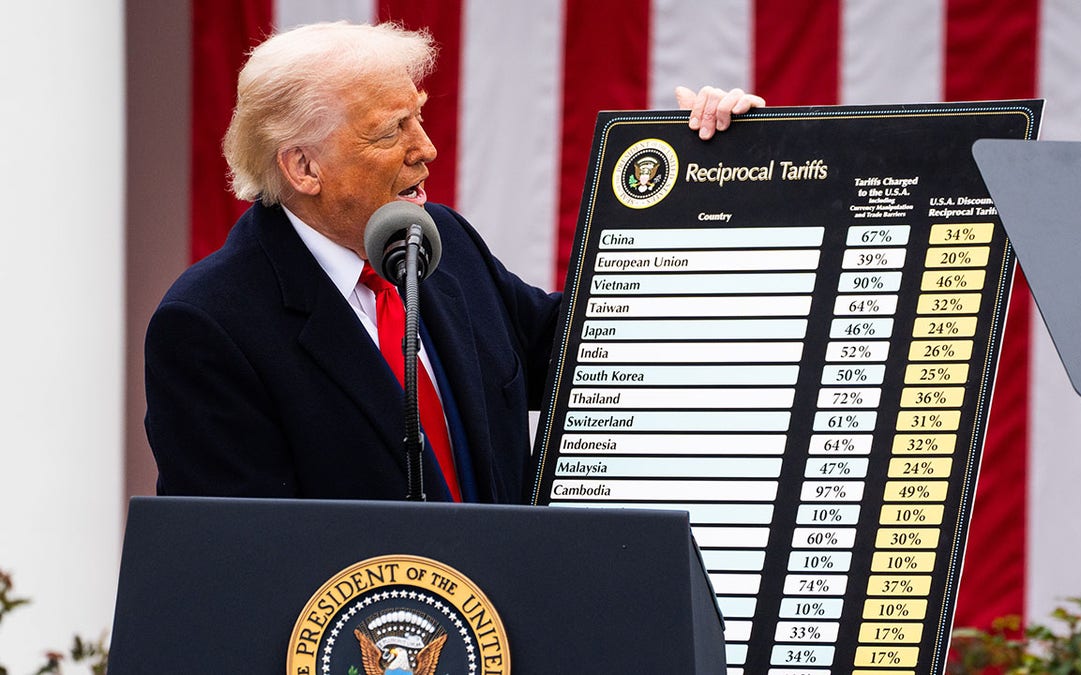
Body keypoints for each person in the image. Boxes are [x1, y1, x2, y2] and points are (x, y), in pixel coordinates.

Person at [144, 21, 764, 502]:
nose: (427, 150)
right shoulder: (208, 325)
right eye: (391, 132)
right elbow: (238, 559)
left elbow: (585, 353)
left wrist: (710, 185)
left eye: (420, 117)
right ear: (303, 167)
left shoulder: (441, 243)